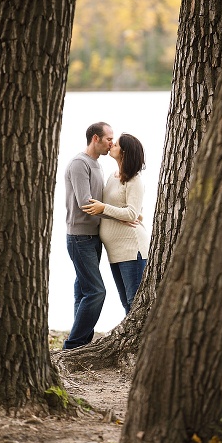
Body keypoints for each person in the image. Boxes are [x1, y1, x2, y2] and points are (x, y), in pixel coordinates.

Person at [83, 133, 149, 314]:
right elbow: (128, 210)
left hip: (131, 247)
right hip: (115, 250)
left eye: (116, 144)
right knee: (125, 302)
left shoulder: (134, 180)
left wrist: (104, 208)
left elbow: (132, 212)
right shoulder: (113, 177)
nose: (112, 145)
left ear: (124, 152)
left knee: (133, 303)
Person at [63, 122, 113, 350]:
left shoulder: (97, 165)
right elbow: (85, 203)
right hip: (79, 237)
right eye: (108, 139)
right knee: (96, 291)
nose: (111, 143)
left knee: (83, 289)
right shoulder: (79, 164)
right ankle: (73, 344)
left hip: (94, 236)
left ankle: (80, 344)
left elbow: (99, 201)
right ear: (96, 138)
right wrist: (118, 215)